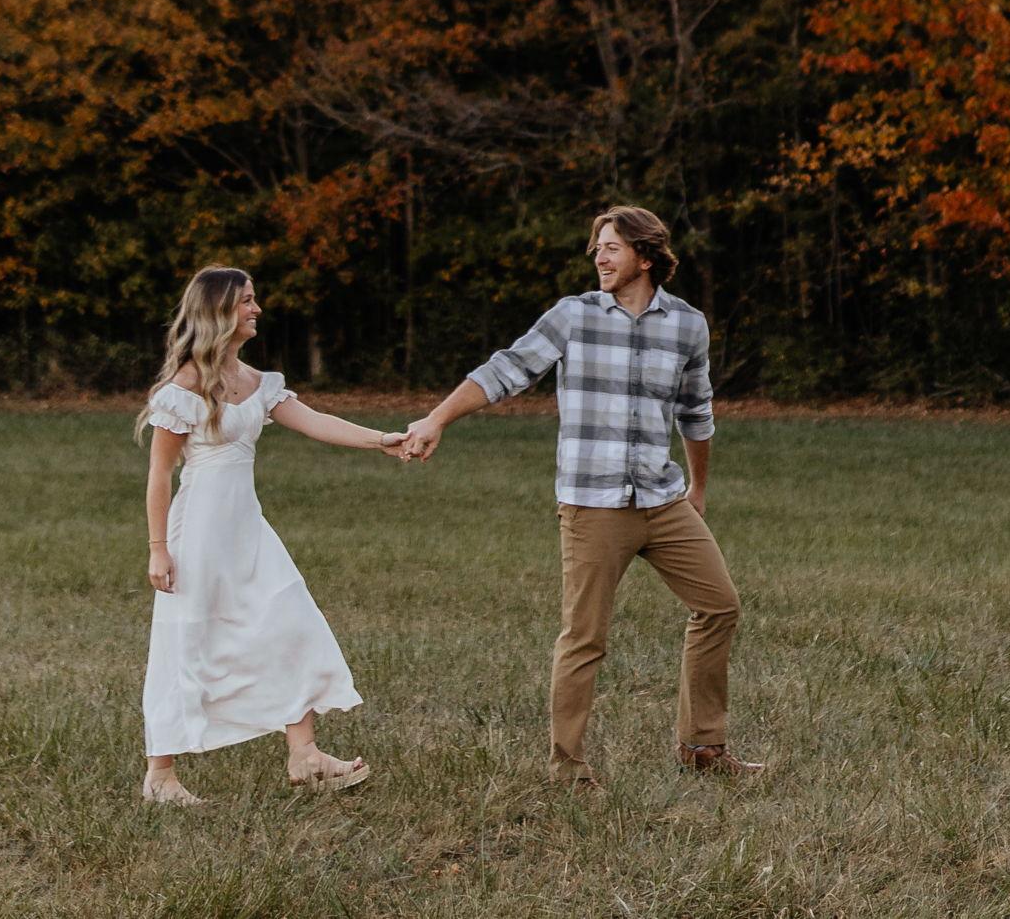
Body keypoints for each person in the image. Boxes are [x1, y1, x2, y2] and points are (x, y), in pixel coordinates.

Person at [401, 207, 762, 789]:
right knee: (585, 637)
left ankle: (702, 745)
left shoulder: (687, 325)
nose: (599, 256)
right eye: (598, 247)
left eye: (612, 247)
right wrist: (437, 418)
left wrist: (697, 488)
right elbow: (504, 371)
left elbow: (696, 410)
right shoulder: (574, 316)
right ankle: (568, 768)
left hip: (662, 499)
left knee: (720, 606)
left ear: (646, 256)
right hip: (594, 505)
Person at [137, 265, 406, 806]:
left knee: (291, 622)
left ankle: (304, 754)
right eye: (246, 301)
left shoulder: (259, 384)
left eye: (254, 299)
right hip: (198, 536)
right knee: (187, 643)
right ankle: (160, 775)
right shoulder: (183, 389)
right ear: (219, 311)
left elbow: (317, 421)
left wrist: (382, 439)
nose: (256, 309)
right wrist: (158, 549)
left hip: (248, 531)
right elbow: (160, 475)